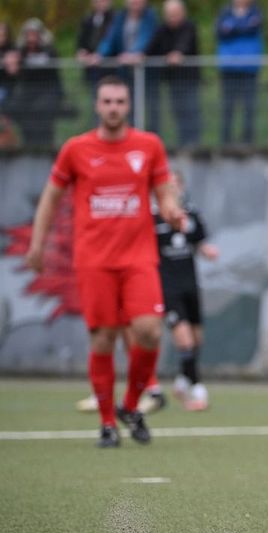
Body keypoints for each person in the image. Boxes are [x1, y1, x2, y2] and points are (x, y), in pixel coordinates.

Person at [26, 75, 185, 448]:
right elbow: (51, 198)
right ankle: (107, 423)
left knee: (149, 330)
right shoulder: (75, 149)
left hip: (138, 256)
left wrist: (172, 210)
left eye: (120, 102)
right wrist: (37, 245)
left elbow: (164, 192)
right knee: (103, 338)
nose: (113, 108)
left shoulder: (148, 145)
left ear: (128, 106)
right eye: (107, 101)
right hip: (94, 259)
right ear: (97, 106)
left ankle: (130, 404)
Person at [154, 170, 218, 411]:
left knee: (196, 339)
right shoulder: (153, 217)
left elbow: (199, 242)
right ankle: (198, 390)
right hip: (167, 288)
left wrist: (207, 250)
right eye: (167, 185)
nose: (172, 189)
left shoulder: (191, 214)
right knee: (185, 340)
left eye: (176, 185)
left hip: (190, 284)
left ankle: (182, 380)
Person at [93, 0, 159, 129]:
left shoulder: (150, 17)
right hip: (125, 71)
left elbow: (147, 37)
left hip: (147, 73)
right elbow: (110, 39)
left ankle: (152, 134)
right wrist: (99, 54)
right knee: (126, 106)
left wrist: (133, 54)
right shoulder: (120, 18)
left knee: (152, 108)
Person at [145, 0, 202, 147]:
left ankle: (193, 144)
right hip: (172, 80)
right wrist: (140, 56)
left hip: (189, 80)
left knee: (191, 112)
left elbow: (185, 43)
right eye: (169, 14)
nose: (172, 18)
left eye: (175, 14)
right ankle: (183, 143)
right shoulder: (162, 29)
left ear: (183, 13)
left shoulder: (189, 26)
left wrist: (178, 53)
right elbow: (151, 47)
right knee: (178, 112)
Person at [1, 19, 64, 149]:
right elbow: (14, 72)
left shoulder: (49, 51)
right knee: (16, 109)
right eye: (28, 35)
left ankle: (46, 147)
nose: (31, 39)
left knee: (42, 116)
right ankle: (27, 145)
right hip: (28, 93)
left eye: (34, 34)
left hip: (48, 92)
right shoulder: (21, 52)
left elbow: (54, 74)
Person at [216, 0, 263, 145]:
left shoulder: (256, 12)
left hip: (249, 68)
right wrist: (244, 26)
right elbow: (220, 31)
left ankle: (248, 141)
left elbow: (253, 28)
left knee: (249, 106)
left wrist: (233, 27)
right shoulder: (225, 12)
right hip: (228, 68)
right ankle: (225, 141)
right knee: (227, 106)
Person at [76, 0, 116, 118]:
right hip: (92, 70)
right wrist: (82, 52)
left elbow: (112, 41)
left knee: (113, 102)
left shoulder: (115, 19)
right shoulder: (88, 19)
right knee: (97, 103)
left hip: (110, 69)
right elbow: (81, 39)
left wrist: (100, 56)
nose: (100, 3)